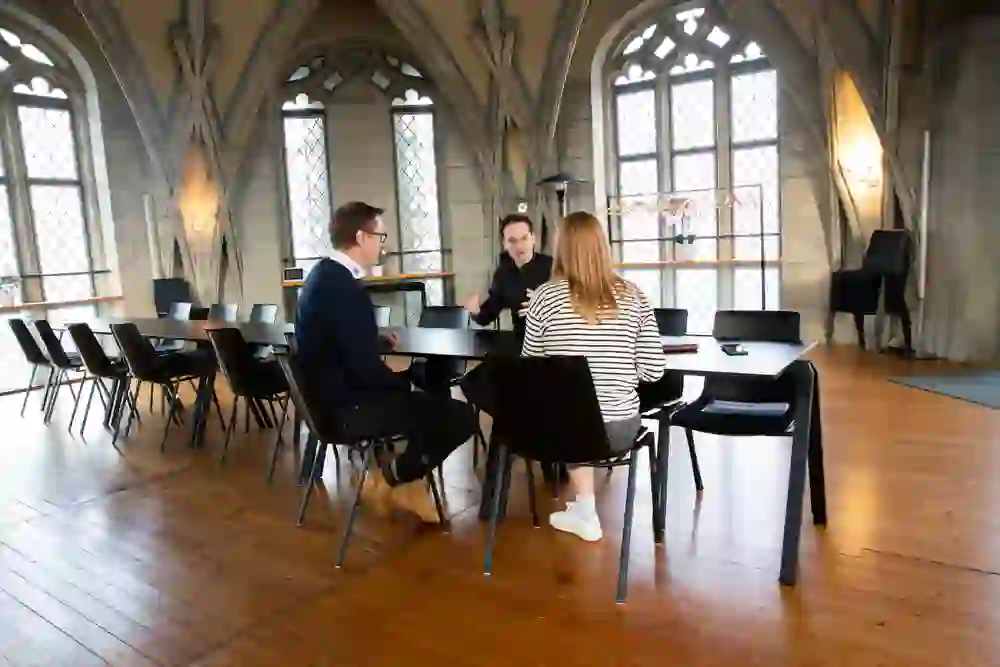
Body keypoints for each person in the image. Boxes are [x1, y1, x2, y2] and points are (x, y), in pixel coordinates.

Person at [294, 201, 478, 522]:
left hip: (327, 404)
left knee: (426, 405)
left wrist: (373, 342)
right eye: (380, 236)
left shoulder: (323, 277)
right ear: (362, 237)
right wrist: (403, 382)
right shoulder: (343, 289)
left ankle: (408, 484)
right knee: (460, 417)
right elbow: (365, 372)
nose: (383, 244)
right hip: (349, 411)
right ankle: (389, 481)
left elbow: (338, 341)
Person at [521, 211, 667, 542]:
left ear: (562, 249)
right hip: (619, 430)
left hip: (562, 431)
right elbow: (654, 371)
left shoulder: (543, 298)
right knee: (584, 417)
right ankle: (584, 510)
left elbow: (531, 369)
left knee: (572, 413)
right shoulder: (635, 296)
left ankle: (586, 510)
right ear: (603, 246)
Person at [463, 214, 553, 338]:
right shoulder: (503, 274)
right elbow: (488, 315)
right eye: (512, 241)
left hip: (555, 341)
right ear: (504, 244)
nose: (519, 246)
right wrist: (476, 311)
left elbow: (579, 309)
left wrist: (546, 307)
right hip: (521, 342)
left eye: (524, 238)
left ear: (533, 239)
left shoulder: (555, 268)